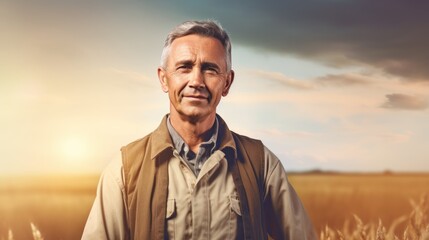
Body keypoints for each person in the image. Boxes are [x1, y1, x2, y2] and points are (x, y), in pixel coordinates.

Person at [82, 20, 317, 240]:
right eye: (184, 67)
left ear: (227, 83)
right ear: (164, 79)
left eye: (210, 69)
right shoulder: (124, 169)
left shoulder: (261, 164)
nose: (196, 81)